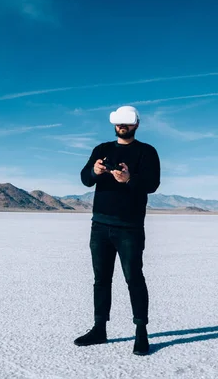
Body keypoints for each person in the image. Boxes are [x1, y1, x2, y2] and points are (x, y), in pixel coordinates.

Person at [74, 105, 161, 356]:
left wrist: (129, 180)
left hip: (130, 228)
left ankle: (141, 332)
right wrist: (95, 171)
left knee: (134, 278)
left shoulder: (147, 152)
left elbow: (153, 184)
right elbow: (85, 179)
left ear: (136, 124)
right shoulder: (102, 149)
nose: (123, 126)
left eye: (128, 122)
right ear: (114, 124)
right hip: (100, 225)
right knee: (101, 280)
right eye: (119, 122)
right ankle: (99, 329)